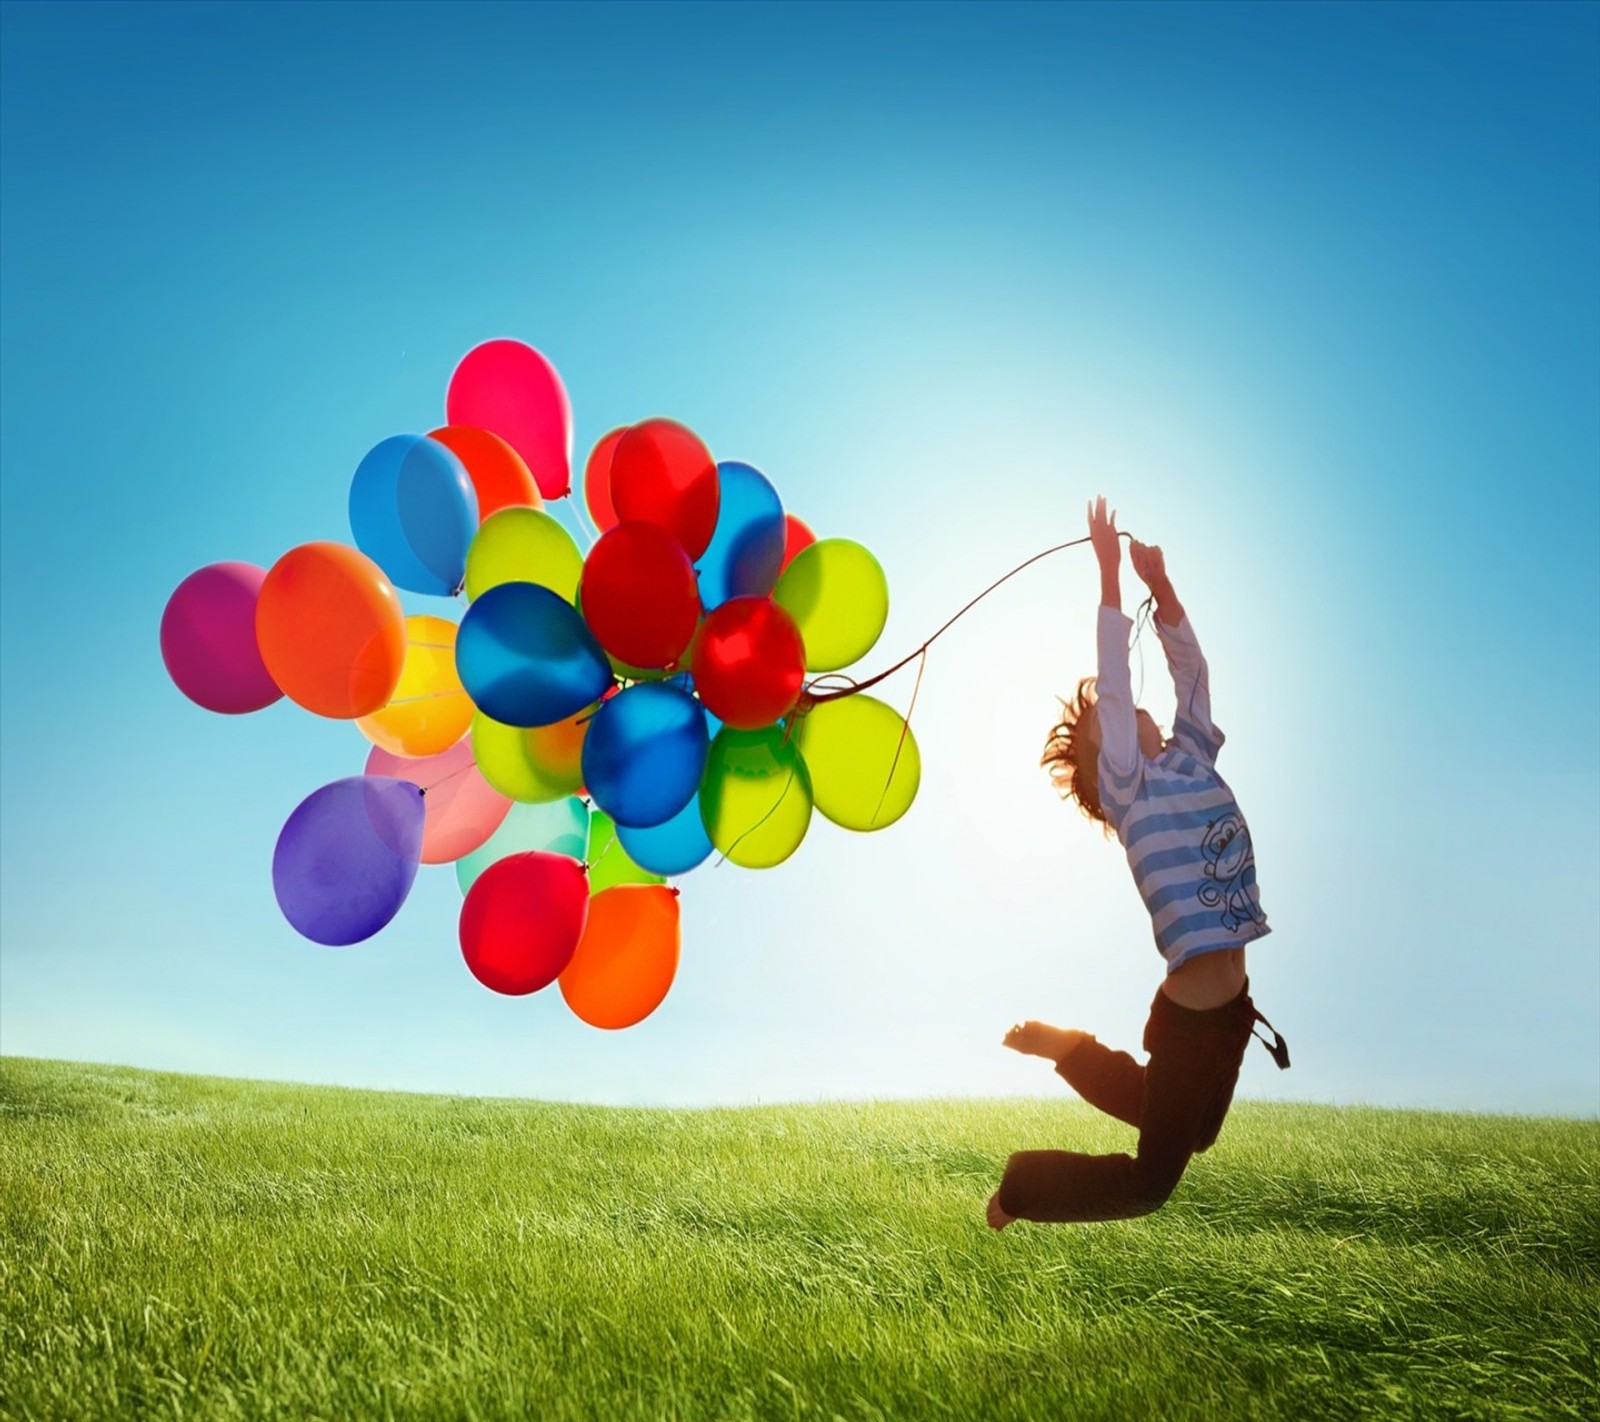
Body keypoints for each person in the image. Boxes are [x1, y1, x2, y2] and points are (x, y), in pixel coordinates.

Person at [987, 495, 1288, 1229]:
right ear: (1105, 764)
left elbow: (1193, 677)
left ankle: (1072, 1052)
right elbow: (1116, 687)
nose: (1122, 719)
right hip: (1190, 1018)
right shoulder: (1131, 788)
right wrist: (1110, 574)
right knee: (1153, 1184)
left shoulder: (1188, 756)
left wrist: (1167, 590)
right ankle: (1021, 1189)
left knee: (1197, 1132)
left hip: (1230, 1011)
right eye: (1105, 730)